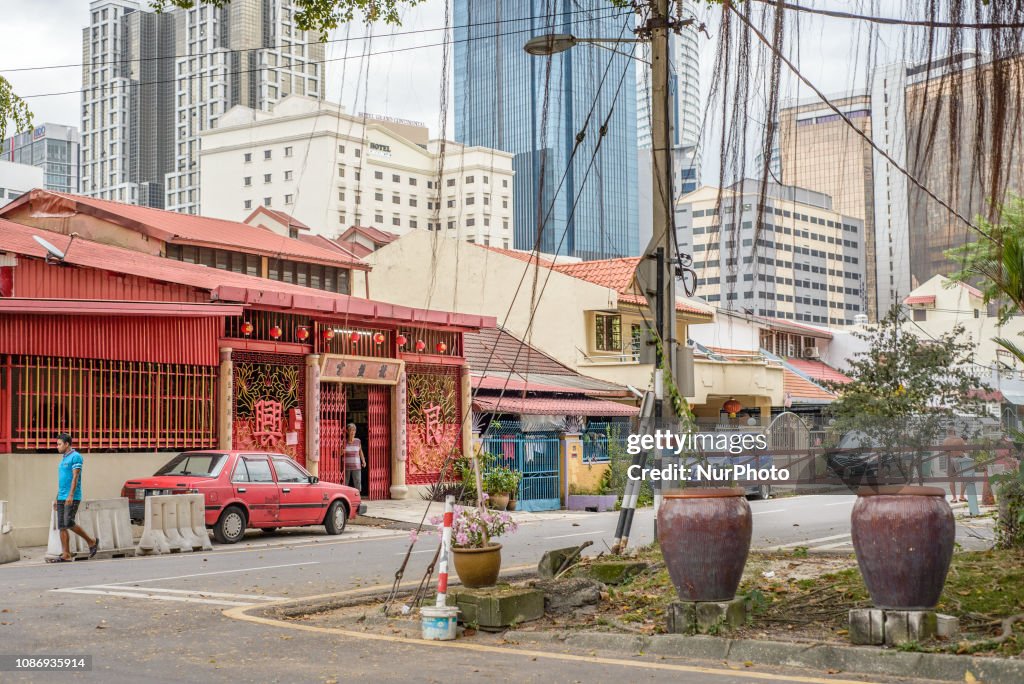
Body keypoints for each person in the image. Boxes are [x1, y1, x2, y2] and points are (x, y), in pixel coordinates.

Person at [50, 433, 98, 563]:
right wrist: (57, 498)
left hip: (72, 496)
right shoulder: (63, 458)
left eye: (59, 444)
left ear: (67, 444)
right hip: (61, 496)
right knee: (62, 526)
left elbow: (75, 477)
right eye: (57, 444)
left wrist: (70, 495)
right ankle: (66, 554)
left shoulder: (76, 457)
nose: (57, 447)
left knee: (68, 522)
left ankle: (91, 541)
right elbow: (63, 481)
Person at [941, 427, 968, 503]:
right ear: (954, 432)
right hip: (959, 459)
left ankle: (954, 498)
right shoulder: (959, 439)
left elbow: (944, 451)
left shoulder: (945, 440)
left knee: (951, 479)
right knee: (963, 477)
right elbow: (965, 450)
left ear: (948, 432)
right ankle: (962, 496)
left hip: (949, 459)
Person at [343, 423, 366, 492]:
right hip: (346, 466)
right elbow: (340, 453)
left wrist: (363, 461)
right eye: (351, 430)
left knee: (357, 482)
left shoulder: (358, 441)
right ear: (347, 431)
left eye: (354, 430)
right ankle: (345, 495)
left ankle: (358, 496)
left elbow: (360, 452)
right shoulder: (344, 442)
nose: (352, 432)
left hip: (356, 466)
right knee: (345, 482)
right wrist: (342, 451)